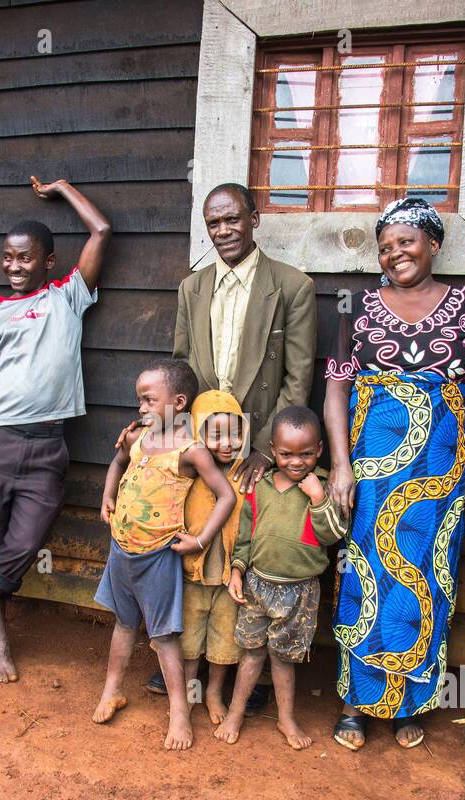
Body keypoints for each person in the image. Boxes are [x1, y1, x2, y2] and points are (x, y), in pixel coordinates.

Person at [324, 197, 465, 751]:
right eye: (386, 246)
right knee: (365, 570)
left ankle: (409, 703)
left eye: (407, 241)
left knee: (428, 573)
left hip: (442, 464)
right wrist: (342, 466)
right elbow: (336, 390)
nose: (396, 253)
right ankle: (355, 699)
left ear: (434, 244)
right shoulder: (359, 303)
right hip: (373, 463)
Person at [145, 182, 317, 703]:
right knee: (198, 542)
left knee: (243, 549)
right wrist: (171, 436)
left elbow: (298, 375)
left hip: (258, 446)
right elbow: (179, 370)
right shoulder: (192, 288)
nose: (223, 231)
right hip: (203, 444)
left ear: (254, 218)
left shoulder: (292, 286)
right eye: (214, 223)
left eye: (232, 220)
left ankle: (245, 663)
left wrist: (264, 448)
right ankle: (188, 660)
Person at [0, 177, 111, 681]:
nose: (14, 266)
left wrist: (61, 189)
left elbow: (102, 229)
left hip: (47, 446)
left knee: (22, 544)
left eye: (24, 257)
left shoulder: (69, 297)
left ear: (48, 261)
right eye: (8, 258)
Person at [91, 360, 237, 751]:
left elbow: (226, 495)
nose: (140, 407)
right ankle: (112, 691)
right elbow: (118, 464)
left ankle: (179, 713)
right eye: (139, 399)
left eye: (148, 399)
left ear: (178, 401)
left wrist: (202, 540)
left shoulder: (191, 452)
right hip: (121, 550)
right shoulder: (137, 437)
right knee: (123, 624)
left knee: (165, 636)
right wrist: (108, 494)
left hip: (157, 556)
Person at [215, 406, 346, 750]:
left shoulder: (323, 486)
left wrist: (318, 498)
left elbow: (333, 534)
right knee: (251, 654)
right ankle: (235, 713)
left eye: (306, 453)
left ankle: (286, 718)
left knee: (283, 659)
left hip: (300, 592)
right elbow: (244, 538)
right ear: (273, 450)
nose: (296, 461)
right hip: (257, 586)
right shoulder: (260, 488)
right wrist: (237, 570)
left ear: (319, 449)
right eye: (286, 454)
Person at [179, 390, 249, 724]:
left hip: (228, 578)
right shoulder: (188, 475)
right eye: (215, 435)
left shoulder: (246, 476)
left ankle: (213, 692)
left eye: (235, 434)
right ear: (196, 433)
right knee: (189, 639)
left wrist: (240, 567)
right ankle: (191, 690)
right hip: (191, 574)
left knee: (224, 642)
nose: (226, 443)